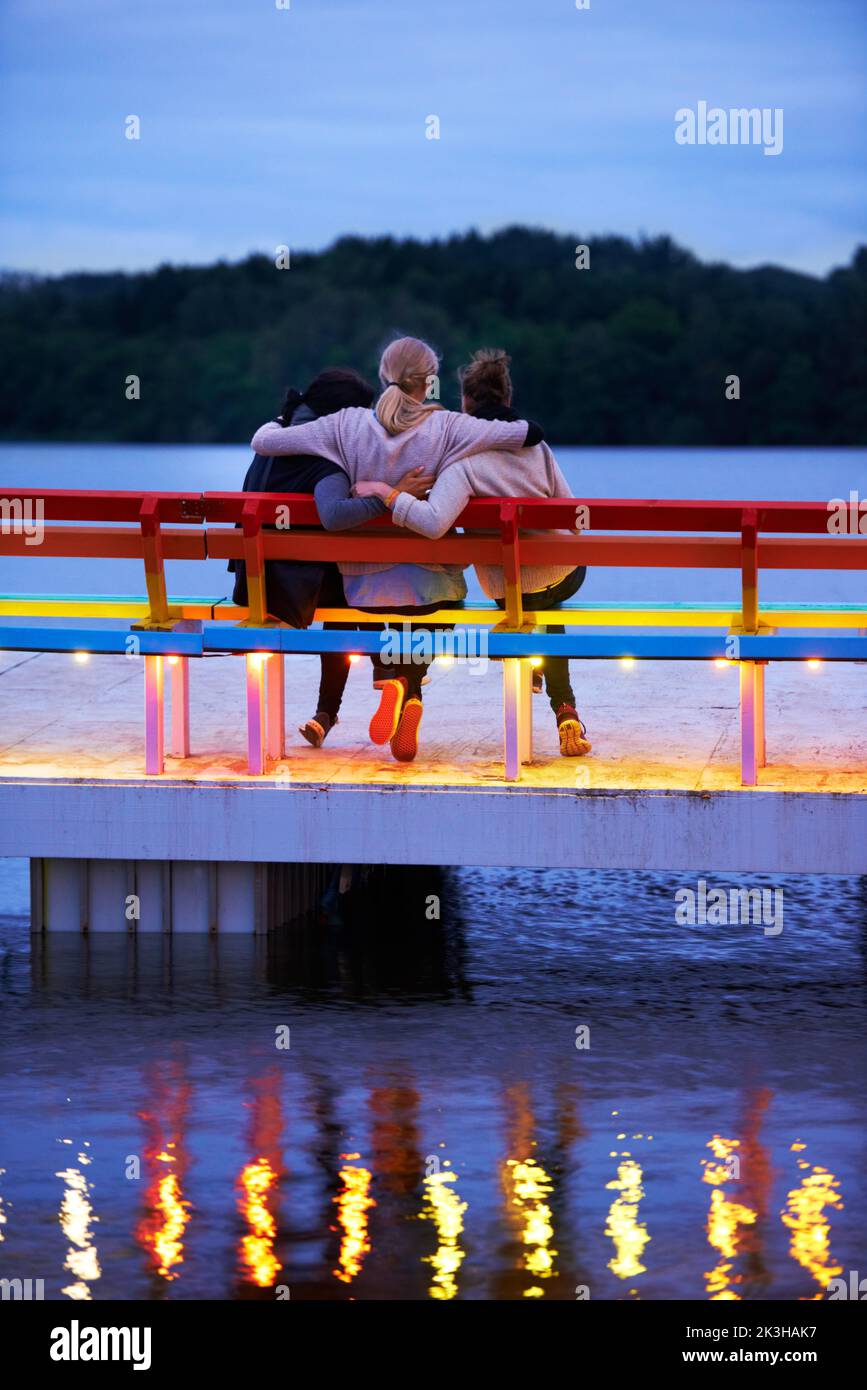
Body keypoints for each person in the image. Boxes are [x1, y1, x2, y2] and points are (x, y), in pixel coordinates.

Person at [250, 336, 545, 762]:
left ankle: (397, 685)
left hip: (366, 591)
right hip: (432, 586)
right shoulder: (448, 426)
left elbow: (264, 441)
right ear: (430, 383)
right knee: (438, 606)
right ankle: (407, 686)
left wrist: (283, 416)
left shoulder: (345, 425)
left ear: (383, 375)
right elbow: (528, 433)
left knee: (393, 605)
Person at [353, 348, 591, 757]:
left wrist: (390, 494)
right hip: (559, 575)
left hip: (504, 585)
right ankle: (565, 709)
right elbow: (572, 515)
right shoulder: (537, 447)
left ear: (465, 402)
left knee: (472, 601)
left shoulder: (461, 460)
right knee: (549, 608)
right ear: (509, 397)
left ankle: (408, 687)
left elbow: (432, 521)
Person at [232, 367, 431, 747]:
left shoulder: (275, 435)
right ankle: (390, 670)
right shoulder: (324, 456)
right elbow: (334, 515)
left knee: (346, 582)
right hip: (292, 591)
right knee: (363, 581)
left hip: (253, 581)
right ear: (343, 417)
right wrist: (389, 495)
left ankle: (331, 710)